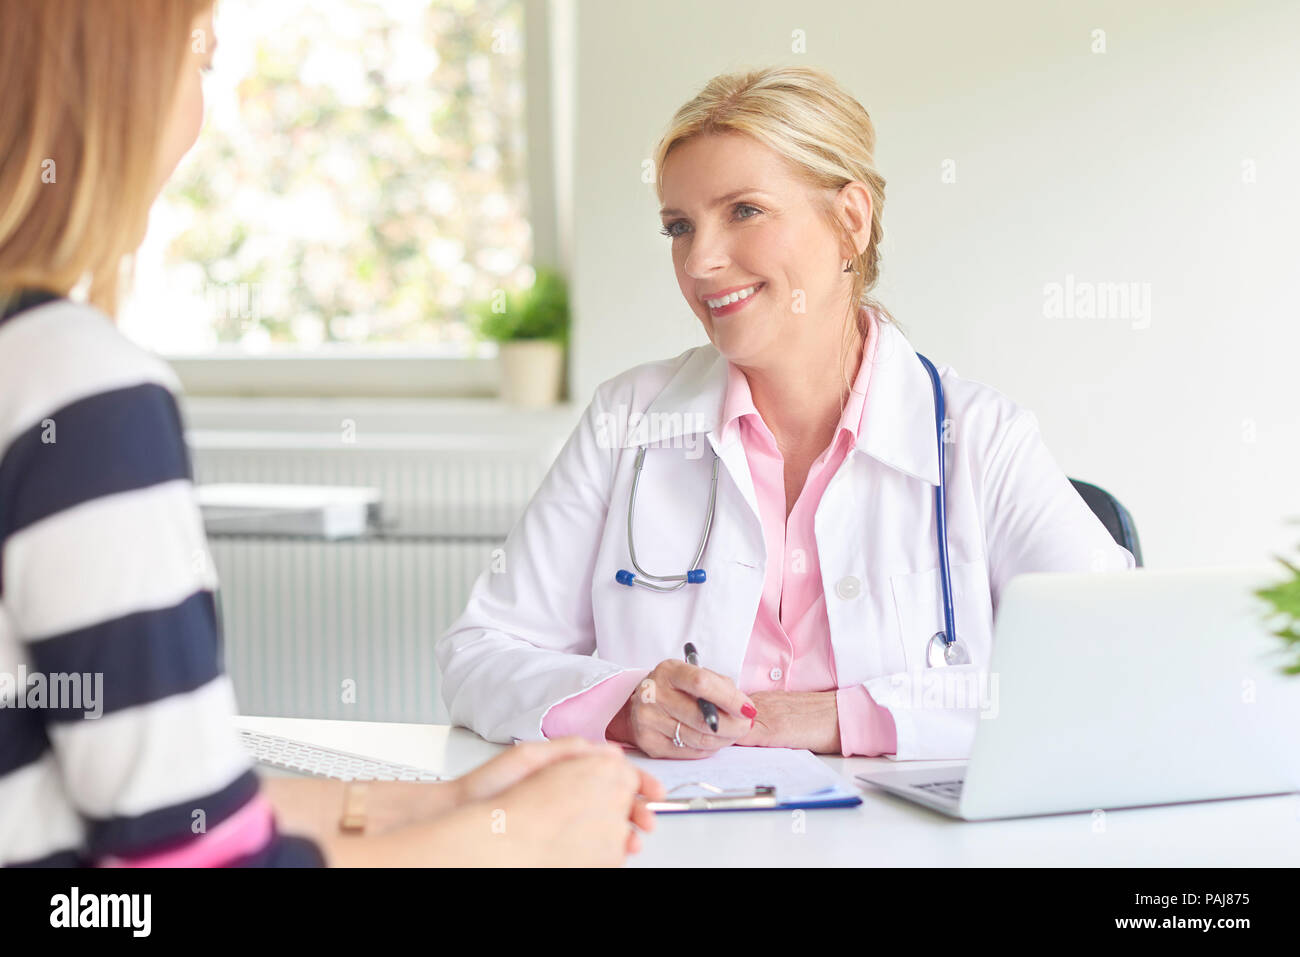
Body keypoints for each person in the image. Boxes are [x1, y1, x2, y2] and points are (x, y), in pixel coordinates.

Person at [0, 0, 660, 868]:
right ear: (116, 80)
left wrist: (440, 802)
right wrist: (520, 841)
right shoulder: (75, 390)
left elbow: (137, 808)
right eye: (200, 61)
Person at [437, 65, 1135, 761]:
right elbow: (478, 654)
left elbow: (1120, 667)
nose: (701, 261)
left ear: (850, 221)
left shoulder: (978, 437)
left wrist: (841, 717)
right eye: (680, 226)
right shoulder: (628, 420)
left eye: (744, 210)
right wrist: (626, 703)